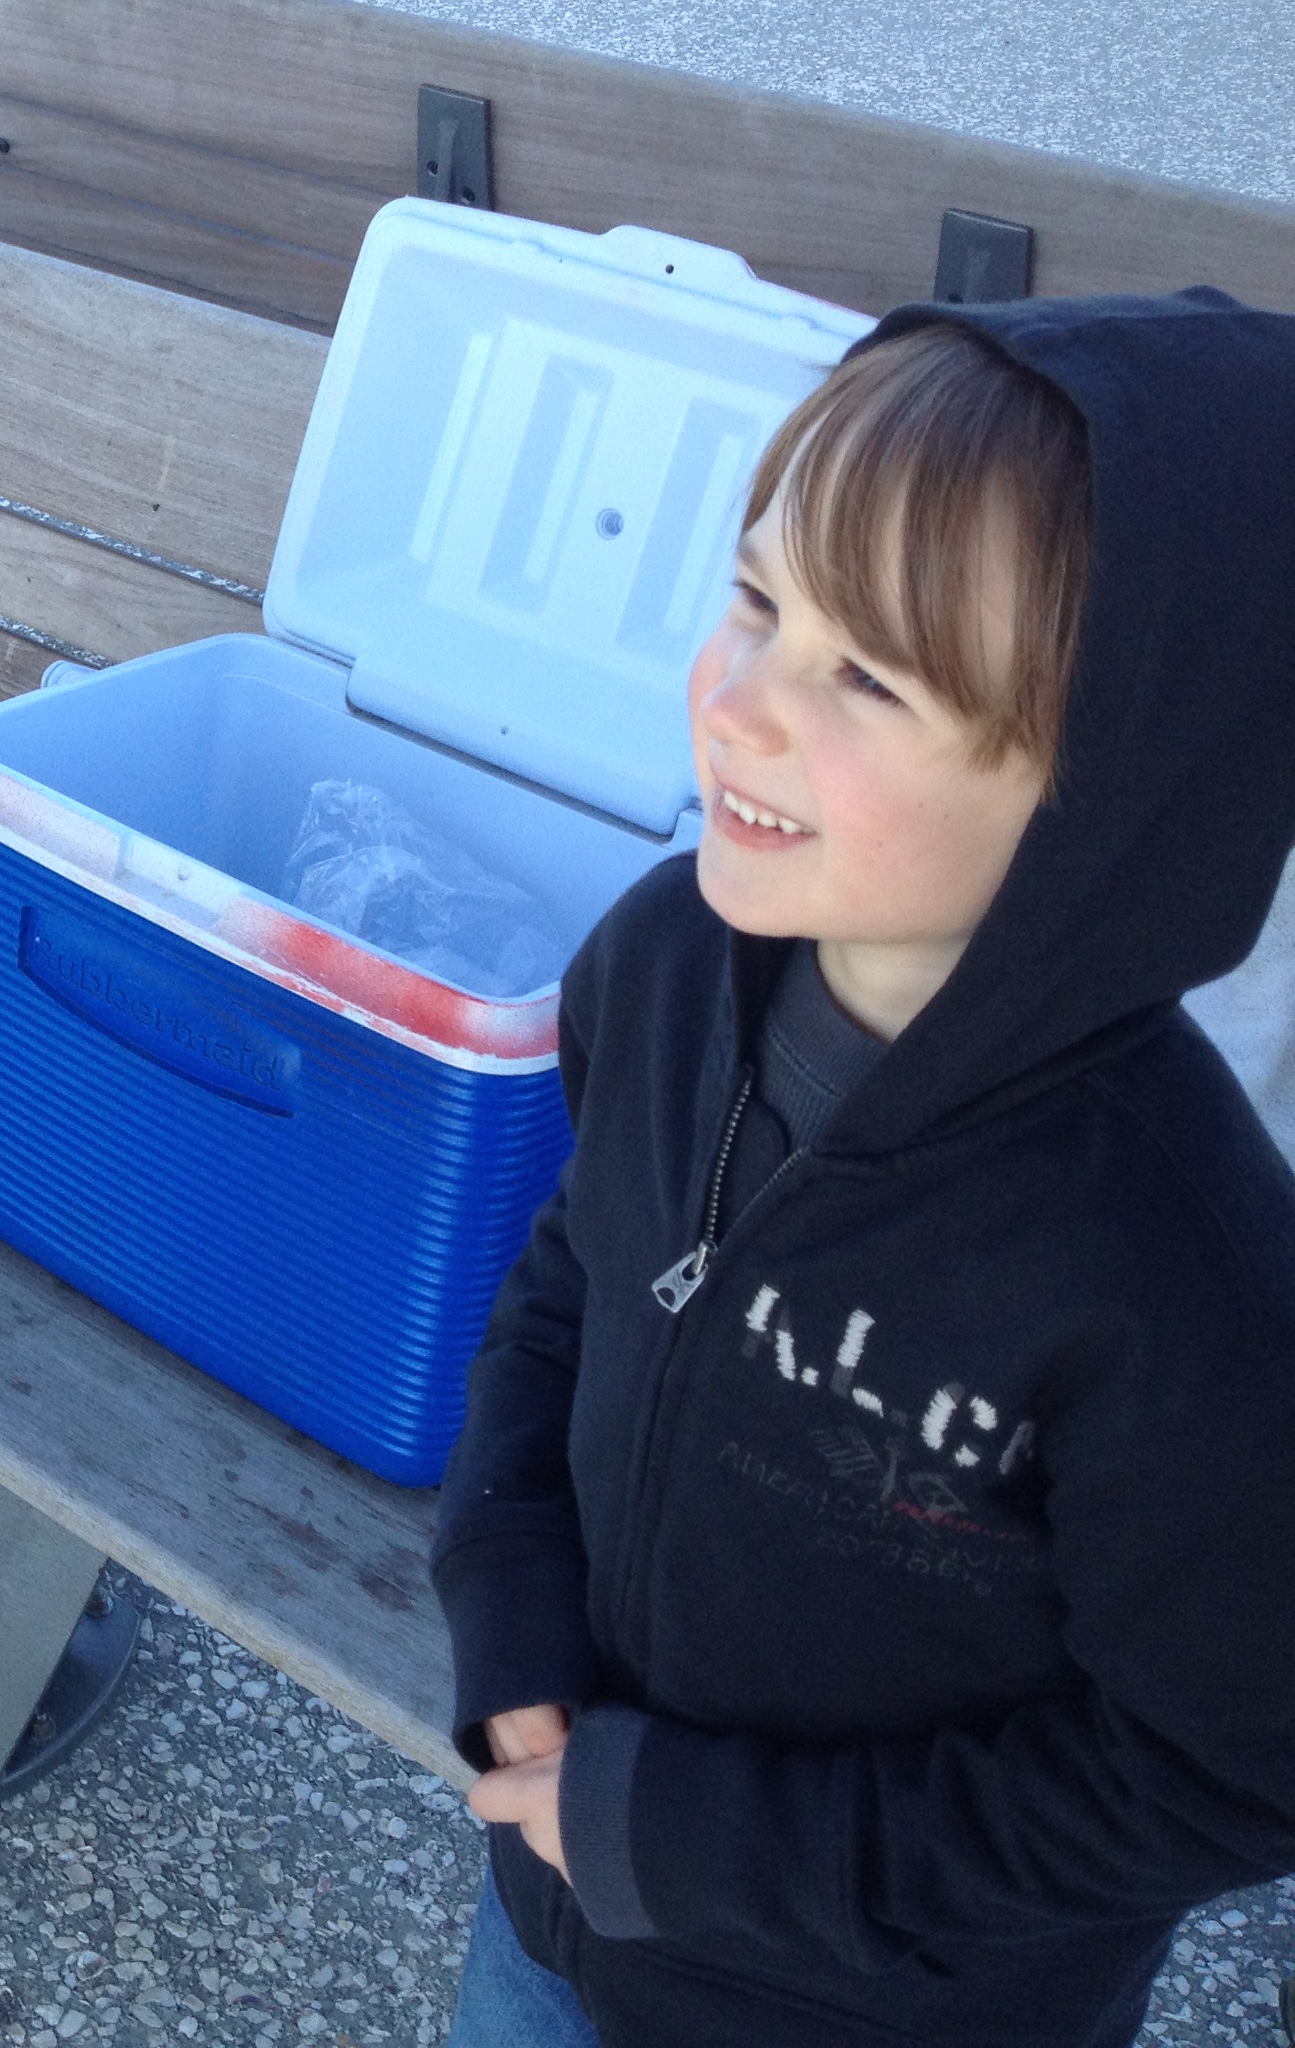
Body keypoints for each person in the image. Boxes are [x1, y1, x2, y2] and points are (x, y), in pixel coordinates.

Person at [430, 298, 1295, 2045]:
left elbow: (1222, 1769)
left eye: (869, 679)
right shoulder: (662, 964)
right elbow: (577, 1274)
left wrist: (697, 1837)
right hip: (550, 1924)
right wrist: (510, 1607)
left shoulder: (1174, 1271)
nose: (736, 705)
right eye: (759, 602)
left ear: (1112, 799)